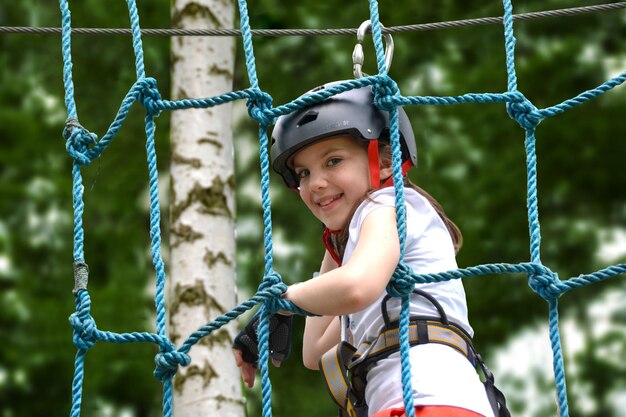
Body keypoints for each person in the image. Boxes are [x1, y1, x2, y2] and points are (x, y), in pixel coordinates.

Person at [233, 81, 497, 417]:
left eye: (333, 161)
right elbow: (314, 352)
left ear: (385, 161)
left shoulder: (386, 205)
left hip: (428, 400)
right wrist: (336, 244)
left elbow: (356, 287)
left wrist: (282, 302)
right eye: (303, 172)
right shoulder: (369, 239)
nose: (315, 183)